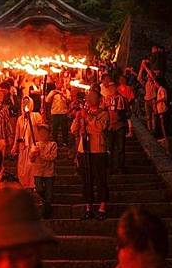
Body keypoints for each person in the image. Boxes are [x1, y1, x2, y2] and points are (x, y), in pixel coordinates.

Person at [71, 90, 110, 220]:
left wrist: (87, 117)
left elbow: (100, 128)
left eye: (93, 96)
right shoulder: (83, 113)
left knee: (100, 179)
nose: (90, 98)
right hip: (84, 150)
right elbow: (73, 130)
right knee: (86, 180)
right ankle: (88, 207)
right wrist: (77, 118)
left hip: (98, 150)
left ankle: (102, 207)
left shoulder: (103, 114)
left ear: (99, 99)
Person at [11, 96, 43, 188]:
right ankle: (24, 184)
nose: (25, 105)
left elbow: (41, 127)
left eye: (27, 103)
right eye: (24, 103)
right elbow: (17, 133)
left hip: (33, 145)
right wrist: (14, 146)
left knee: (31, 166)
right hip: (23, 146)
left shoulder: (36, 115)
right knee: (22, 167)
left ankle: (33, 185)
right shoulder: (20, 119)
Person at [32, 124, 58, 219]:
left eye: (45, 133)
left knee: (49, 193)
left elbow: (53, 157)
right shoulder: (36, 145)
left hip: (49, 172)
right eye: (41, 133)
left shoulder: (53, 144)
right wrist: (33, 154)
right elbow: (31, 159)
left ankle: (46, 212)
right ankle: (46, 204)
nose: (43, 135)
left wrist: (42, 155)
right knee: (39, 189)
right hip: (38, 171)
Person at [104, 82, 130, 174]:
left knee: (120, 148)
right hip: (110, 127)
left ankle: (120, 167)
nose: (111, 89)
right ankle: (111, 167)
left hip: (119, 126)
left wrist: (120, 118)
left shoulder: (121, 99)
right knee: (109, 148)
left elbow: (124, 113)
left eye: (112, 87)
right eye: (109, 88)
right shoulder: (106, 99)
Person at [46, 80, 70, 146]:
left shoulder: (66, 91)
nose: (58, 84)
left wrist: (63, 95)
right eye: (57, 83)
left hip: (63, 112)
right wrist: (53, 94)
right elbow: (47, 100)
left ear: (62, 84)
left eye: (59, 83)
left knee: (64, 129)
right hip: (55, 113)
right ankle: (54, 143)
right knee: (54, 129)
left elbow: (69, 100)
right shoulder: (52, 92)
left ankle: (65, 142)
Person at [138, 60, 157, 132]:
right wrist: (141, 68)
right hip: (147, 100)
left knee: (153, 116)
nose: (147, 75)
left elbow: (152, 75)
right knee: (148, 116)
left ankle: (154, 129)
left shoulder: (154, 81)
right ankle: (150, 129)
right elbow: (139, 78)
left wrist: (144, 66)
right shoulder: (146, 83)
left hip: (153, 99)